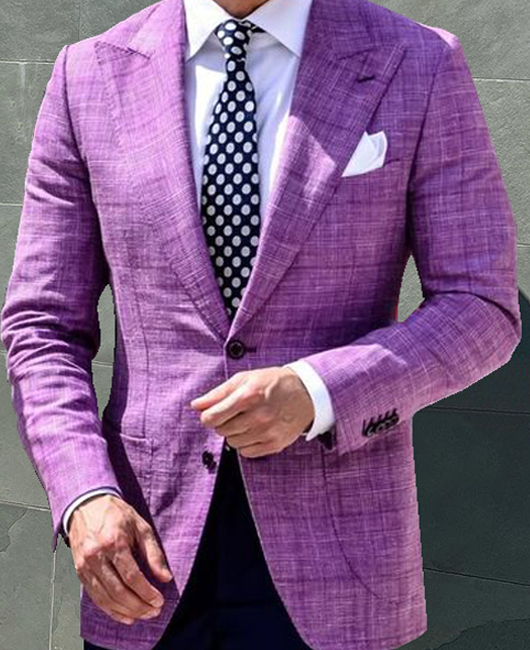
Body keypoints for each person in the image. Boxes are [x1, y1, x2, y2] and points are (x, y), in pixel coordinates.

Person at [0, 0, 521, 647]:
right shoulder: (88, 74)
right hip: (140, 557)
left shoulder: (417, 61)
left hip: (340, 564)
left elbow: (479, 304)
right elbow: (43, 324)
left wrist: (319, 392)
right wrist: (83, 494)